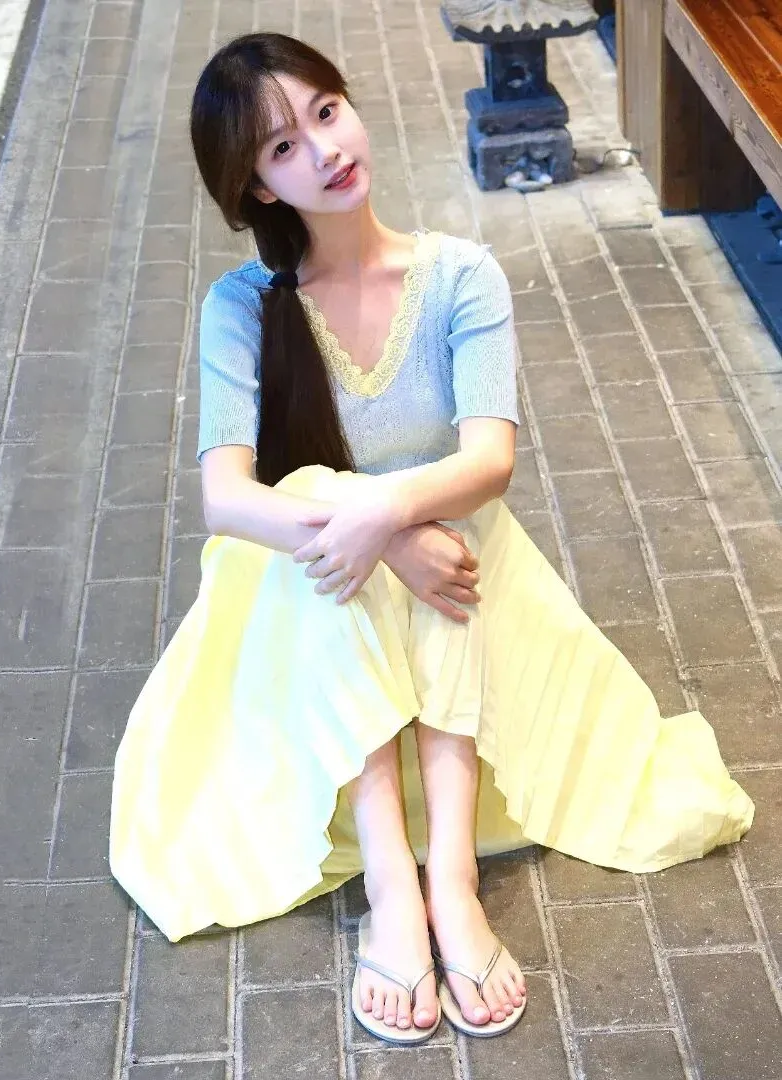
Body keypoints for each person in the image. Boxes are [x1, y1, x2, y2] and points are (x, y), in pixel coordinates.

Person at [109, 32, 754, 1046]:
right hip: (299, 591)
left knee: (436, 526)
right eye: (283, 146)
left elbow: (490, 460)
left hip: (455, 574)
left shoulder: (460, 277)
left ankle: (448, 879)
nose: (325, 150)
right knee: (338, 518)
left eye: (327, 112)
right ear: (259, 186)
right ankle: (391, 885)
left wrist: (390, 518)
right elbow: (228, 501)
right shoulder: (241, 308)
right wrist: (378, 531)